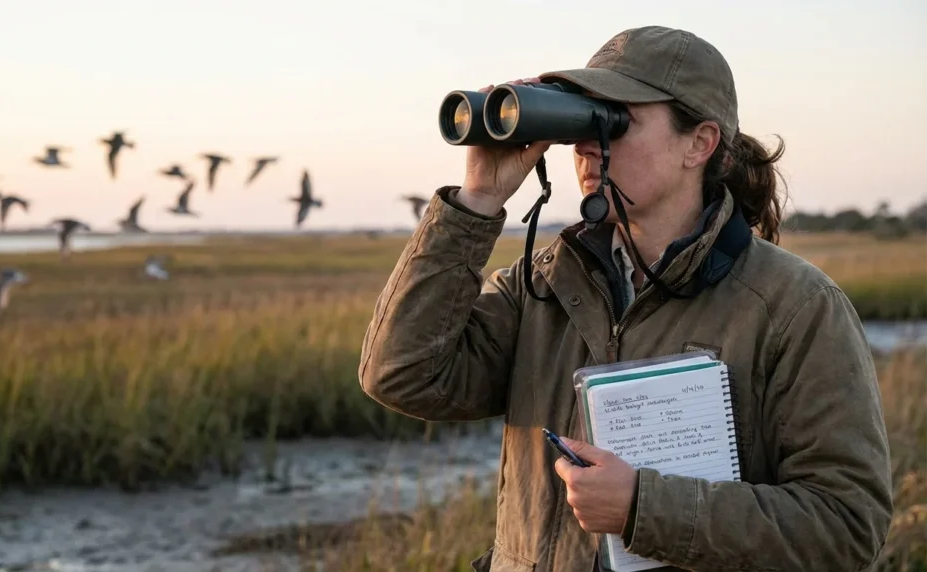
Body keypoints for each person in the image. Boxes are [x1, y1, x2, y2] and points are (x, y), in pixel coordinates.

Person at [358, 25, 893, 572]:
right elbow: (401, 375)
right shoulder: (543, 287)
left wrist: (644, 507)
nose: (589, 144)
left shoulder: (794, 306)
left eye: (616, 121)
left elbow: (846, 528)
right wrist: (477, 199)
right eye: (583, 119)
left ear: (699, 144)